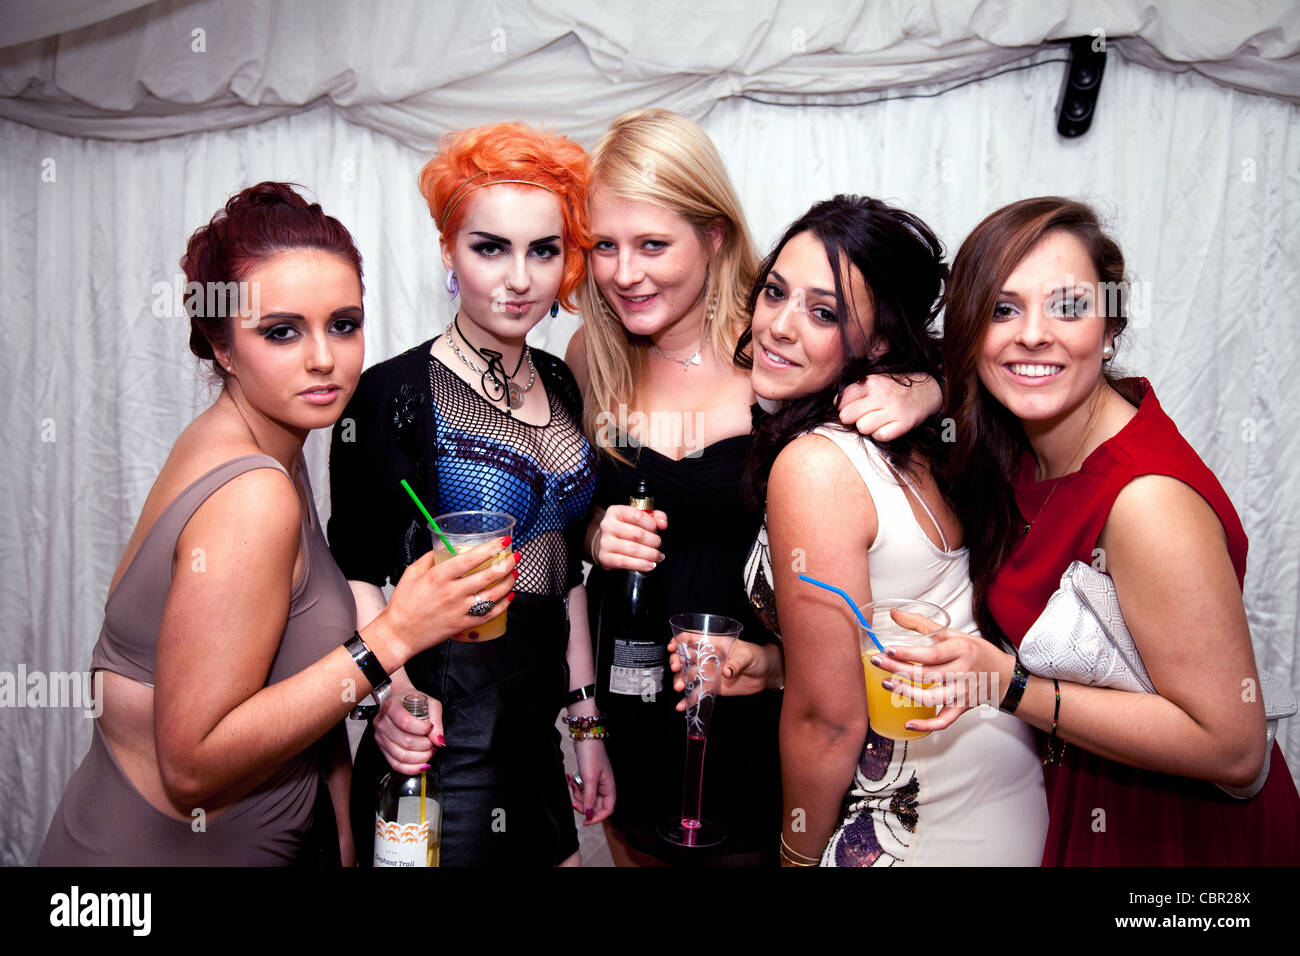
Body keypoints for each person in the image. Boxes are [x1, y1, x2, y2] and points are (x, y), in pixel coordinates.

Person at [39, 182, 515, 865]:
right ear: (222, 345)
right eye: (282, 331)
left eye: (343, 324)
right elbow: (193, 765)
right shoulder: (253, 495)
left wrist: (342, 832)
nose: (324, 358)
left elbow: (280, 674)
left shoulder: (259, 446)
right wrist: (396, 634)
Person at [568, 110, 943, 865]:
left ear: (713, 235)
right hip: (633, 719)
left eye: (652, 244)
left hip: (762, 727)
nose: (623, 272)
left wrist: (929, 386)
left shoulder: (782, 342)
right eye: (603, 245)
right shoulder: (591, 353)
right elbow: (570, 518)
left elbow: (971, 370)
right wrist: (591, 535)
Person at [876, 196, 1300, 865]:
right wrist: (927, 388)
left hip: (1177, 838)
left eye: (1068, 306)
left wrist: (1008, 684)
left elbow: (1235, 747)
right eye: (1002, 310)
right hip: (1084, 794)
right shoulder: (1024, 446)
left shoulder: (1147, 503)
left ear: (1109, 330)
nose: (1034, 334)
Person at [727, 195, 1047, 866]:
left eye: (823, 313)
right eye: (775, 292)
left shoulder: (817, 464)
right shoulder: (920, 434)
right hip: (1003, 792)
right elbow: (884, 636)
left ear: (877, 341)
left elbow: (831, 720)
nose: (779, 326)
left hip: (927, 822)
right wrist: (778, 665)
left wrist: (793, 856)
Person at [328, 124, 611, 867]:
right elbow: (353, 571)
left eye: (543, 250)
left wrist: (586, 730)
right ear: (449, 252)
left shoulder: (562, 383)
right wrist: (389, 696)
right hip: (438, 743)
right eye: (491, 247)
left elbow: (567, 572)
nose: (518, 278)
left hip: (536, 744)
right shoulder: (391, 395)